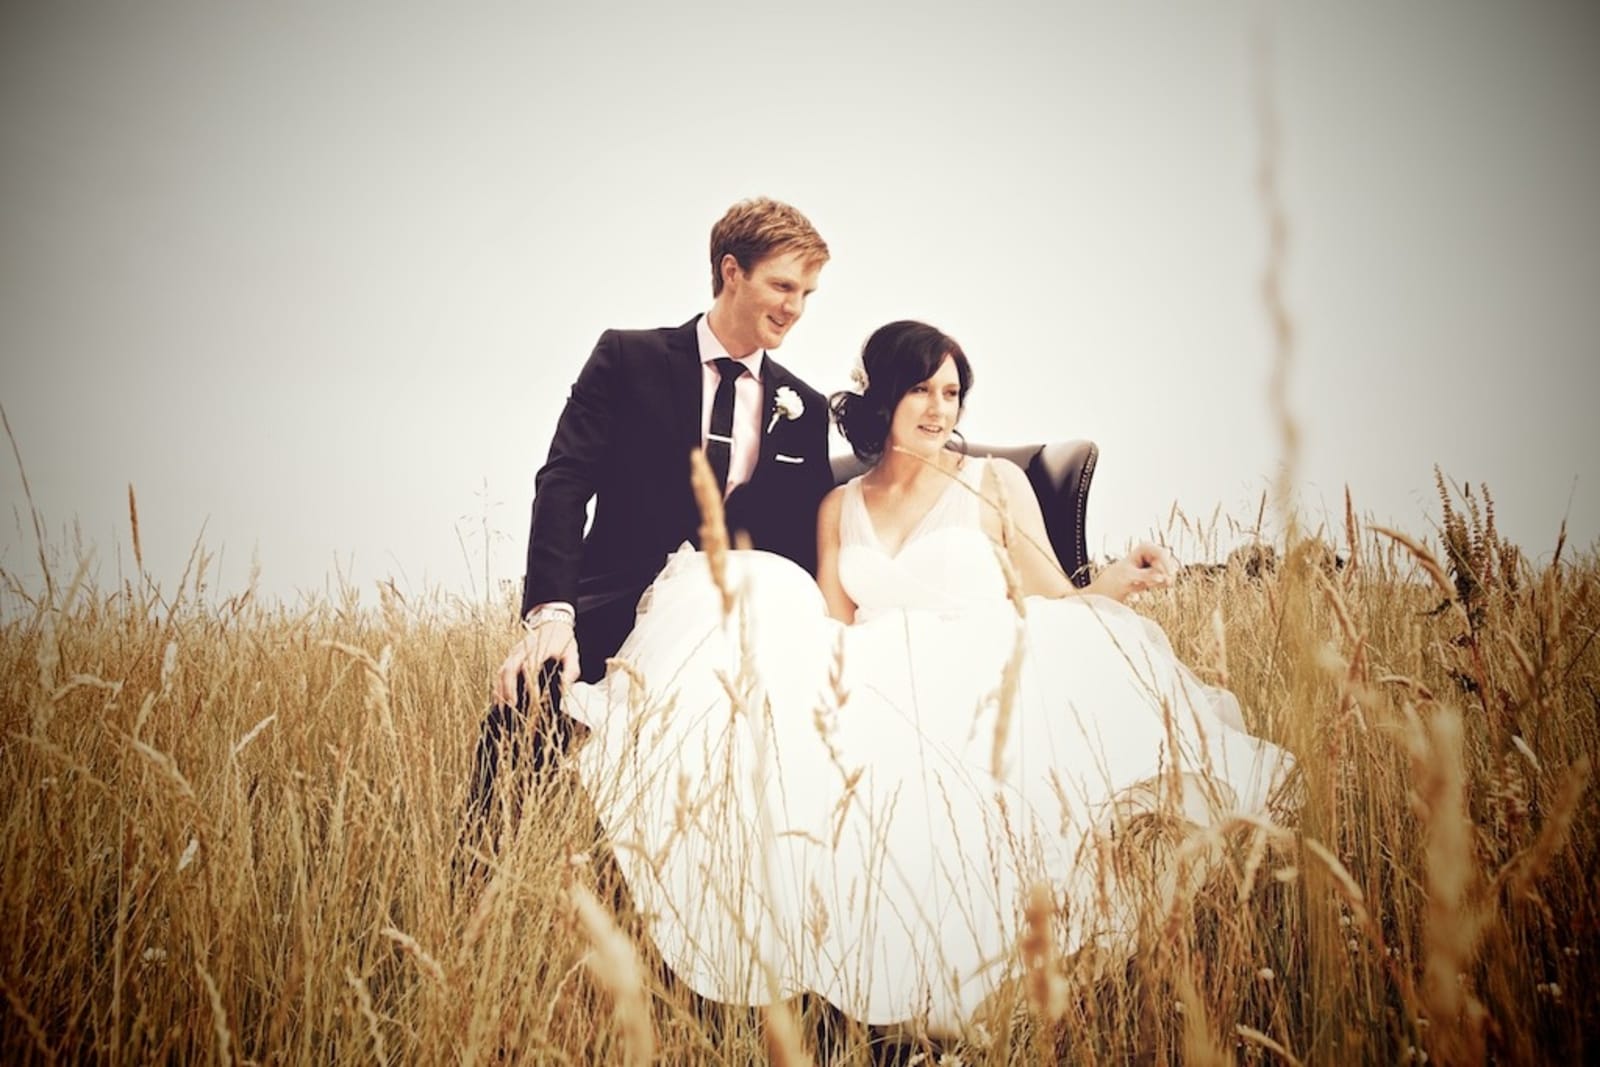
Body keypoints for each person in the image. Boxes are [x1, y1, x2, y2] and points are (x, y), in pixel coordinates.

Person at [558, 320, 1296, 1034]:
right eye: (922, 391)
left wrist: (1123, 578)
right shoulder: (838, 504)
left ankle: (1009, 973)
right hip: (879, 677)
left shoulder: (994, 483)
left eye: (952, 393)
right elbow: (831, 622)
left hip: (991, 664)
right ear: (883, 400)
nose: (940, 409)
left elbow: (1056, 598)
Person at [469, 197, 834, 819]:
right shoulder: (625, 358)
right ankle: (480, 890)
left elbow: (807, 537)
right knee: (525, 705)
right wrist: (550, 614)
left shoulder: (805, 406)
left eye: (806, 292)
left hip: (735, 628)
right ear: (730, 271)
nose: (794, 308)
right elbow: (563, 481)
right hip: (614, 602)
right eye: (781, 285)